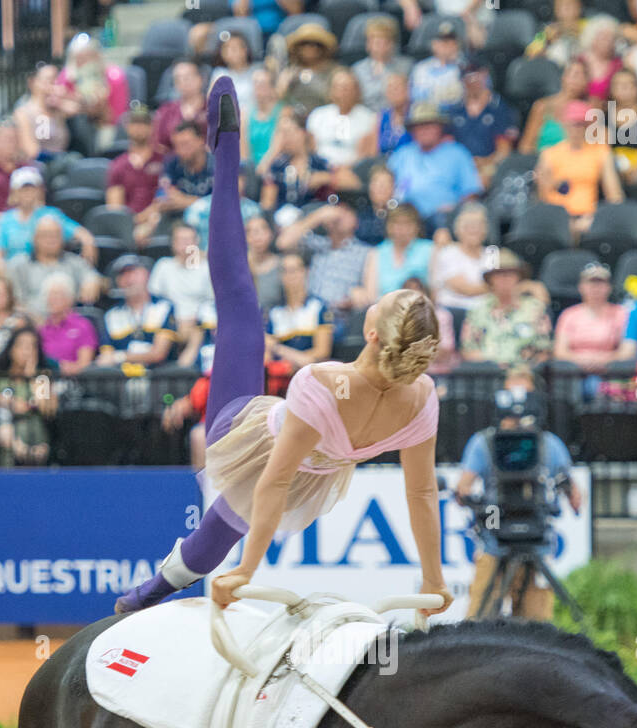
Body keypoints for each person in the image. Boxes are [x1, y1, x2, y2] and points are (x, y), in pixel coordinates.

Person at [115, 77, 453, 619]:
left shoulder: (321, 382)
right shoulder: (422, 397)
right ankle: (146, 594)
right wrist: (434, 581)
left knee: (241, 304)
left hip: (248, 441)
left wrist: (247, 570)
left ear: (372, 331)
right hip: (309, 480)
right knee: (210, 543)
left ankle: (225, 159)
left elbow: (270, 478)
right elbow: (420, 495)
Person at [455, 365, 583, 619]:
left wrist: (568, 488)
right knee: (478, 621)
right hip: (494, 543)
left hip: (537, 543)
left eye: (524, 393)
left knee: (537, 627)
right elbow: (463, 487)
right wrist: (470, 500)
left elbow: (577, 499)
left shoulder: (548, 444)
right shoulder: (485, 442)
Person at [276, 200, 371, 334]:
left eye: (346, 212)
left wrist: (353, 301)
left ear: (356, 220)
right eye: (337, 211)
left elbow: (369, 295)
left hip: (340, 319)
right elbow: (283, 243)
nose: (339, 216)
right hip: (308, 315)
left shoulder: (366, 251)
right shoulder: (316, 245)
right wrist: (318, 216)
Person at [536, 99, 624, 236]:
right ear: (564, 124)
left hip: (587, 217)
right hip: (556, 217)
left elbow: (614, 194)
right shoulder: (549, 153)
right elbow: (543, 194)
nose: (576, 129)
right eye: (573, 124)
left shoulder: (600, 151)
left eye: (581, 124)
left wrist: (603, 217)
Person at [387, 105, 482, 229]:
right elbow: (386, 184)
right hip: (404, 219)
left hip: (444, 219)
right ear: (413, 130)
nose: (424, 130)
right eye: (419, 126)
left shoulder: (457, 153)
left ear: (440, 127)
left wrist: (456, 210)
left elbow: (471, 194)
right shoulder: (402, 154)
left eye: (429, 125)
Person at [460, 249, 552, 366]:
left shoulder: (535, 309)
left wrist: (522, 372)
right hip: (487, 375)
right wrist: (494, 367)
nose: (504, 278)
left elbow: (544, 350)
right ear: (490, 280)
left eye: (510, 274)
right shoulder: (477, 310)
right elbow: (468, 350)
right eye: (499, 274)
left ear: (519, 278)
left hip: (526, 374)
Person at [0, 167, 96, 265]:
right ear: (14, 192)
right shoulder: (4, 220)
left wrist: (88, 244)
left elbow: (82, 235)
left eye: (32, 189)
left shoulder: (52, 215)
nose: (28, 193)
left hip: (46, 270)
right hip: (15, 272)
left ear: (39, 191)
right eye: (23, 189)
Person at [7, 216, 101, 320]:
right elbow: (15, 302)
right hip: (32, 325)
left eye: (55, 235)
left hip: (67, 325)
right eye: (46, 235)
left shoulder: (74, 262)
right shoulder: (20, 265)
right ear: (35, 238)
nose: (51, 240)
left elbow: (92, 275)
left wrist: (92, 281)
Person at [446, 59, 520, 190]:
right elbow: (448, 146)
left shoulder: (499, 108)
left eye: (476, 74)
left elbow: (504, 151)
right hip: (458, 165)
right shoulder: (454, 111)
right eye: (467, 75)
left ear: (485, 75)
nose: (472, 79)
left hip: (489, 166)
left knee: (481, 180)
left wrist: (482, 163)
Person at [149, 222, 215, 367]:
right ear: (173, 243)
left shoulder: (207, 268)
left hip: (197, 322)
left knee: (198, 332)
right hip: (168, 322)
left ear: (197, 242)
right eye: (181, 240)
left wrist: (194, 320)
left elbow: (212, 302)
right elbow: (154, 299)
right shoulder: (163, 266)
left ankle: (182, 370)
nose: (186, 244)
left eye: (190, 240)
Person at [97, 255, 179, 367]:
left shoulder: (164, 307)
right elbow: (106, 358)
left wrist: (120, 357)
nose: (129, 279)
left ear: (147, 275)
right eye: (123, 274)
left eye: (133, 272)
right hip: (121, 379)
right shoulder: (111, 315)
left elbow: (159, 353)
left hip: (159, 379)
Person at [552, 261, 628, 380]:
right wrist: (582, 361)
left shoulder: (620, 313)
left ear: (609, 287)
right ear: (581, 287)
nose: (596, 288)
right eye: (591, 283)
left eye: (601, 283)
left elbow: (626, 351)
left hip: (609, 372)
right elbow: (560, 352)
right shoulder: (569, 314)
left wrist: (602, 360)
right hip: (574, 373)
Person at [0, 324, 55, 467]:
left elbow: (46, 409)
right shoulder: (0, 375)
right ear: (11, 349)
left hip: (35, 434)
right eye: (21, 346)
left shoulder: (41, 378)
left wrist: (31, 377)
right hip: (4, 431)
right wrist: (9, 402)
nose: (26, 351)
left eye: (32, 347)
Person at [265, 251, 335, 379]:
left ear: (305, 272)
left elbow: (322, 351)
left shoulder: (319, 306)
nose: (290, 276)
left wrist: (281, 350)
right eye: (285, 271)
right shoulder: (274, 312)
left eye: (294, 270)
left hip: (313, 375)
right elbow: (267, 352)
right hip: (282, 376)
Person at [56, 32, 129, 153]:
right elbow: (59, 104)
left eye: (88, 57)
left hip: (107, 126)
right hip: (76, 129)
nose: (84, 62)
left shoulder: (114, 76)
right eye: (79, 58)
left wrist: (96, 106)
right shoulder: (67, 76)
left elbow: (116, 115)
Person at [105, 107, 165, 235]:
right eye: (135, 123)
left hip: (157, 220)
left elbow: (165, 198)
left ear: (151, 127)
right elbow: (115, 207)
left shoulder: (163, 160)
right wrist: (134, 222)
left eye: (144, 123)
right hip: (128, 225)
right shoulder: (119, 165)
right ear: (128, 127)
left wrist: (146, 220)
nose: (139, 128)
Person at [260, 110, 332, 214]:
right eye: (280, 134)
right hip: (282, 221)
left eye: (288, 133)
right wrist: (274, 151)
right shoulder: (277, 166)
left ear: (302, 133)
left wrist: (326, 178)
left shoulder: (319, 163)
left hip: (313, 219)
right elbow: (267, 204)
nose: (284, 139)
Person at [359, 203, 434, 302]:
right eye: (396, 223)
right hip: (384, 309)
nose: (402, 229)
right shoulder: (376, 253)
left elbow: (434, 291)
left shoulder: (430, 249)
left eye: (407, 223)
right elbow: (371, 296)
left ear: (417, 226)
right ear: (388, 226)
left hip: (418, 309)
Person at [307, 70, 375, 169]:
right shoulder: (318, 115)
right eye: (338, 87)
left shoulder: (368, 118)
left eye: (346, 88)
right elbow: (311, 149)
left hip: (353, 172)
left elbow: (366, 154)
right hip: (319, 169)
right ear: (331, 90)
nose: (342, 92)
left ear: (356, 90)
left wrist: (341, 171)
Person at [519, 57, 589, 155]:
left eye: (582, 76)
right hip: (542, 162)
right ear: (563, 77)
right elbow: (526, 145)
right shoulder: (542, 106)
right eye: (574, 75)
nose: (576, 80)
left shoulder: (589, 111)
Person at [429, 203, 492, 310]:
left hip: (487, 312)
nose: (473, 229)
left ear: (486, 229)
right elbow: (465, 289)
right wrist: (492, 287)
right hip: (454, 311)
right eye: (468, 225)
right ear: (457, 230)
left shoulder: (492, 253)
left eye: (479, 225)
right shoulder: (448, 253)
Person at [39, 276, 98, 375]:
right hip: (46, 380)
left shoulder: (82, 325)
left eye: (57, 295)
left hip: (75, 381)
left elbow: (85, 365)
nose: (52, 299)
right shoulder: (41, 329)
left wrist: (62, 368)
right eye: (49, 295)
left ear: (69, 299)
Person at [352, 16, 411, 114]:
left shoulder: (406, 66)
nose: (380, 45)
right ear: (368, 44)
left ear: (393, 43)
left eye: (385, 41)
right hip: (366, 117)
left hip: (397, 115)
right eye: (376, 41)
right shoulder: (357, 69)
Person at [13, 63, 71, 162]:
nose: (53, 86)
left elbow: (83, 109)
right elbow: (31, 151)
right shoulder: (23, 112)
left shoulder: (59, 110)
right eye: (49, 81)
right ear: (32, 82)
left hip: (63, 162)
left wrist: (63, 100)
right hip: (39, 164)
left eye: (56, 81)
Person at [276, 24, 338, 113]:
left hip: (324, 117)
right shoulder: (291, 70)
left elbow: (335, 97)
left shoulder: (333, 71)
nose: (310, 47)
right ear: (297, 48)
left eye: (315, 44)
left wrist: (312, 80)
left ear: (322, 48)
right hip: (295, 117)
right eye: (304, 44)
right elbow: (280, 98)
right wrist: (285, 83)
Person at [152, 59, 207, 157]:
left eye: (187, 77)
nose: (182, 82)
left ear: (200, 79)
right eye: (177, 79)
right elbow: (159, 145)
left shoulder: (215, 109)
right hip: (175, 166)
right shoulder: (166, 111)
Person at [409, 21, 465, 111]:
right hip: (427, 113)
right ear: (433, 45)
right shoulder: (421, 68)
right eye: (442, 42)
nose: (447, 46)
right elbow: (416, 95)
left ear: (457, 44)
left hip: (457, 114)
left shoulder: (466, 66)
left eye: (451, 42)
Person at [241, 67, 281, 168]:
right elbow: (243, 150)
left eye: (262, 84)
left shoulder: (283, 112)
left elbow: (278, 146)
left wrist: (262, 169)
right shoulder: (244, 114)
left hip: (275, 166)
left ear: (272, 88)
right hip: (252, 169)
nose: (258, 88)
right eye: (255, 83)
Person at [526, 0, 586, 67]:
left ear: (579, 7)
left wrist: (572, 30)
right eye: (561, 5)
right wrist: (547, 41)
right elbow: (530, 51)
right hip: (556, 69)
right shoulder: (548, 29)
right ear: (556, 10)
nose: (566, 7)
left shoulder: (588, 25)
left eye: (570, 4)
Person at [210, 32, 258, 117]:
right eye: (226, 48)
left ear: (245, 49)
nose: (230, 52)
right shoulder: (219, 73)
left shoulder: (257, 71)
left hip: (253, 119)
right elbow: (212, 102)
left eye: (234, 48)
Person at [580, 15, 622, 101]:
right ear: (592, 39)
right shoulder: (580, 62)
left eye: (612, 38)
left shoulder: (618, 65)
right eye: (604, 37)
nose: (608, 42)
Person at [353, 165, 398, 246]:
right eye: (376, 183)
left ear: (393, 188)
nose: (381, 187)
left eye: (386, 183)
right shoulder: (358, 215)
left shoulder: (400, 216)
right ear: (369, 187)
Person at [376, 71, 413, 157]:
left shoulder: (416, 114)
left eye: (397, 87)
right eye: (389, 88)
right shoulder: (381, 117)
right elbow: (375, 151)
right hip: (386, 165)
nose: (393, 92)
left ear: (407, 89)